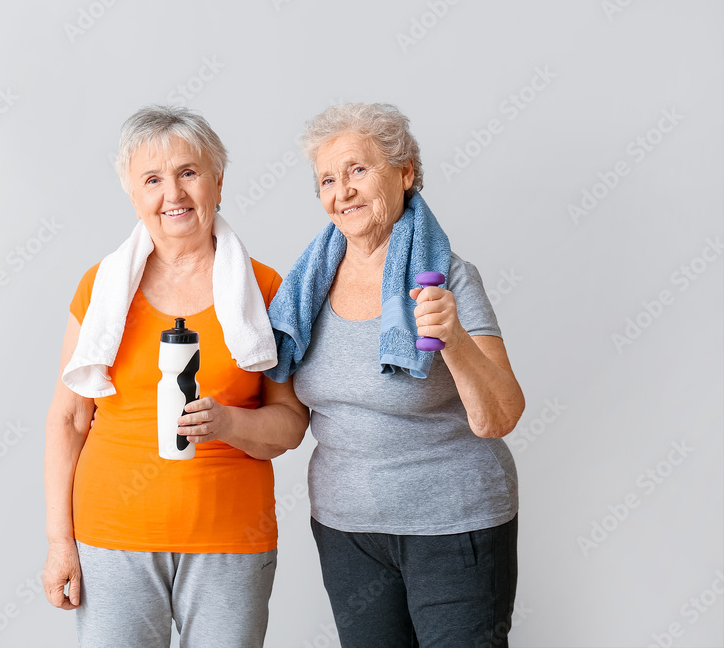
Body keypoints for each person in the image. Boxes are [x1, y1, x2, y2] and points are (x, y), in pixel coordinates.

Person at [42, 105, 309, 648]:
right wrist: (58, 542)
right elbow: (69, 418)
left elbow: (290, 425)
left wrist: (229, 423)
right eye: (153, 180)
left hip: (231, 539)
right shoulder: (102, 288)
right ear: (133, 194)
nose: (174, 194)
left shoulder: (264, 288)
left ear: (217, 181)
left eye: (189, 172)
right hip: (111, 534)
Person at [267, 102, 525, 647]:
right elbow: (283, 409)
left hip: (455, 526)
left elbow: (501, 414)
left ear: (405, 173)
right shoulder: (306, 287)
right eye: (328, 180)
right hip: (347, 531)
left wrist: (452, 340)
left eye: (359, 170)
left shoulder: (451, 277)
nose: (344, 191)